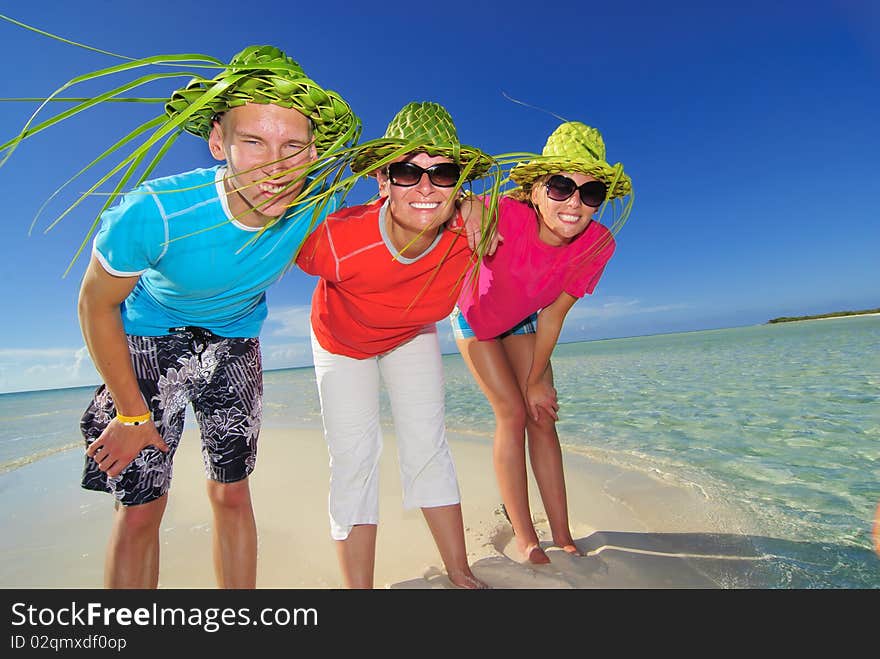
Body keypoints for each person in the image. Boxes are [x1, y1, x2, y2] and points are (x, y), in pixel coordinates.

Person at [51, 45, 357, 588]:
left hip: (235, 343)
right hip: (148, 339)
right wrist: (129, 414)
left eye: (293, 146)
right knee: (143, 508)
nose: (276, 167)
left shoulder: (318, 203)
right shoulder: (156, 211)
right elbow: (95, 304)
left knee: (232, 492)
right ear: (219, 141)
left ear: (314, 153)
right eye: (253, 142)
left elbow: (398, 215)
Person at [296, 101, 496, 589]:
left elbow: (545, 209)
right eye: (408, 172)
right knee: (354, 458)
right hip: (340, 342)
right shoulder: (335, 240)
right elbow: (266, 228)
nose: (426, 188)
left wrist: (476, 209)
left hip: (410, 335)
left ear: (459, 184)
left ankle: (460, 572)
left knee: (428, 444)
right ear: (383, 181)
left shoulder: (473, 233)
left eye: (443, 173)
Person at [451, 121, 633, 563]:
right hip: (474, 319)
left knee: (541, 412)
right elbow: (451, 200)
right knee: (511, 414)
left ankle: (564, 533)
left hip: (527, 321)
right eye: (560, 186)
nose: (574, 203)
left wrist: (536, 379)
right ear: (534, 190)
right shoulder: (506, 214)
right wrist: (470, 211)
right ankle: (525, 535)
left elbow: (553, 315)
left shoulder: (597, 244)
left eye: (590, 194)